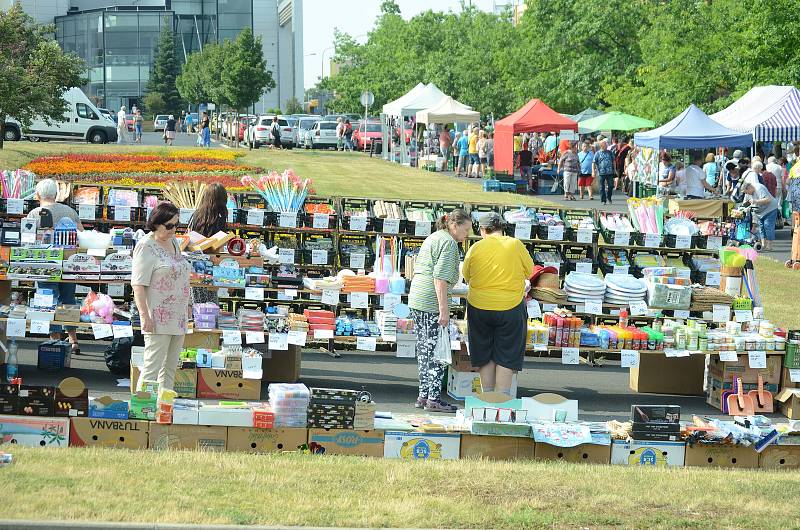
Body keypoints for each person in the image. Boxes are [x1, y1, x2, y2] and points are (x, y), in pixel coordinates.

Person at [407, 209, 472, 412]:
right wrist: (444, 311)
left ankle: (424, 396)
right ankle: (433, 398)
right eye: (466, 228)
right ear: (454, 225)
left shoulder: (435, 237)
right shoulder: (449, 244)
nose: (467, 234)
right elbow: (440, 279)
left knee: (424, 351)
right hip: (431, 302)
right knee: (437, 351)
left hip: (418, 298)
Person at [462, 212, 533, 396]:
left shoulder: (476, 247)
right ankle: (502, 398)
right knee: (506, 353)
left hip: (479, 307)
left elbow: (466, 275)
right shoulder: (515, 244)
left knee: (484, 352)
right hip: (510, 307)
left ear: (483, 230)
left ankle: (486, 395)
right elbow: (529, 271)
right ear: (503, 228)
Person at [132, 202, 192, 392]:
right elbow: (138, 285)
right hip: (158, 317)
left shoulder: (173, 241)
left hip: (178, 315)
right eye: (169, 226)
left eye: (176, 225)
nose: (173, 230)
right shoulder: (146, 246)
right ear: (156, 224)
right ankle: (142, 409)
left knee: (170, 368)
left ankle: (164, 407)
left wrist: (188, 305)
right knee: (152, 368)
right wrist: (144, 316)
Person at [28, 179, 85, 357]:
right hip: (69, 263)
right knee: (68, 300)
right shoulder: (70, 211)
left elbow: (27, 241)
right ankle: (73, 339)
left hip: (45, 265)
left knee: (48, 302)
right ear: (56, 194)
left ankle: (55, 340)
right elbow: (82, 235)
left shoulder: (34, 214)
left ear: (38, 195)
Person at [188, 184, 228, 305]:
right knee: (211, 303)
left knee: (196, 299)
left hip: (195, 260)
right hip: (212, 262)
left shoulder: (196, 214)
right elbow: (219, 244)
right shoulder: (220, 216)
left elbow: (189, 235)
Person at [742, 180, 778, 251]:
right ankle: (764, 245)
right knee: (761, 228)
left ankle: (769, 246)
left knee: (768, 226)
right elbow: (752, 203)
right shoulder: (750, 193)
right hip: (760, 212)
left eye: (746, 192)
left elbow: (768, 199)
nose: (747, 194)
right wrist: (748, 208)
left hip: (770, 209)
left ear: (749, 188)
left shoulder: (759, 188)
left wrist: (756, 201)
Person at [593, 140, 615, 204]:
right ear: (601, 146)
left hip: (610, 172)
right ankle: (603, 200)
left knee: (611, 185)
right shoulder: (597, 153)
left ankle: (609, 197)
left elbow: (613, 161)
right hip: (601, 173)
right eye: (605, 145)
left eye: (606, 145)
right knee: (601, 187)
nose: (606, 146)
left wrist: (615, 169)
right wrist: (593, 171)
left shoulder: (610, 152)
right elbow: (593, 162)